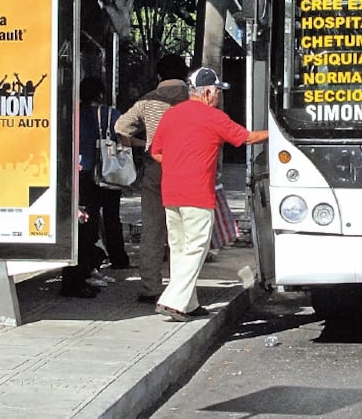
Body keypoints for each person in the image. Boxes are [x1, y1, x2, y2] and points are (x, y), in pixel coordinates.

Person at [149, 67, 268, 322]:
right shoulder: (214, 117)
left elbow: (156, 151)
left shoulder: (171, 114)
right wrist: (276, 134)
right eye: (217, 92)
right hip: (198, 193)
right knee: (196, 248)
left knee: (179, 249)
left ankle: (189, 302)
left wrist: (176, 165)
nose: (218, 97)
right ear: (207, 92)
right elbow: (247, 138)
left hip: (171, 192)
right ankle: (173, 301)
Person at [115, 54, 191, 304]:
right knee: (185, 232)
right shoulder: (194, 99)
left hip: (156, 168)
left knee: (152, 229)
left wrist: (143, 143)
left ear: (159, 75)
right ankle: (182, 289)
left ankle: (151, 287)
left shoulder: (148, 100)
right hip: (189, 170)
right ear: (185, 74)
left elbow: (121, 128)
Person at [78, 76, 131, 270]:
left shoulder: (74, 113)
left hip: (83, 169)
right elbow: (124, 138)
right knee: (112, 217)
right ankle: (118, 258)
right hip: (109, 170)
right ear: (101, 94)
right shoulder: (112, 114)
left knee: (87, 215)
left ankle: (90, 259)